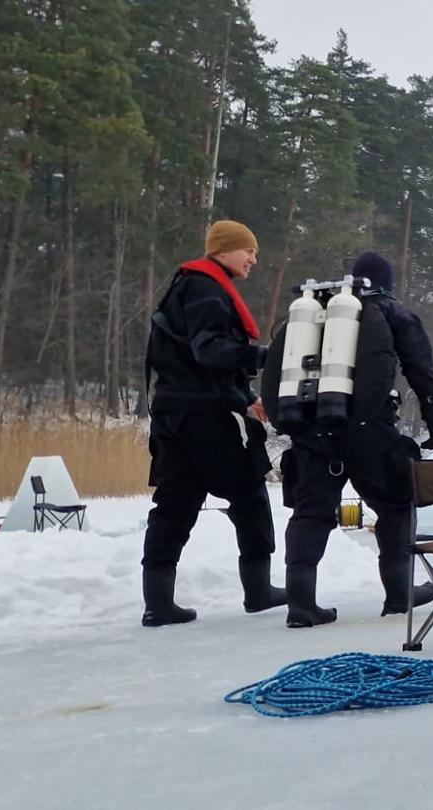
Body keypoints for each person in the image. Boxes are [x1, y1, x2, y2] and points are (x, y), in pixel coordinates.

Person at [272, 252, 433, 628]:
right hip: (369, 431)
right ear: (386, 282)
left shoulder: (313, 313)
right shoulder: (390, 310)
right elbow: (420, 365)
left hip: (313, 432)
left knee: (310, 514)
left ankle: (301, 603)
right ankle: (398, 593)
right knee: (396, 505)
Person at [139, 220, 286, 626]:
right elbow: (212, 353)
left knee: (173, 505)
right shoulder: (207, 289)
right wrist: (264, 356)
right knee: (250, 495)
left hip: (172, 413)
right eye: (248, 251)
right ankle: (258, 590)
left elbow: (191, 364)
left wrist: (247, 398)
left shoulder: (186, 286)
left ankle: (158, 603)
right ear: (223, 251)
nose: (254, 258)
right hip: (205, 418)